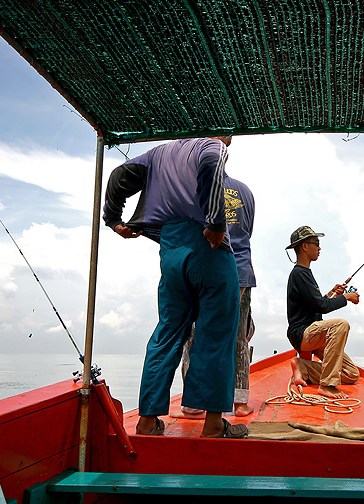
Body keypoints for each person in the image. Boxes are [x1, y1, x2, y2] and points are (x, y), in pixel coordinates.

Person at [103, 136, 248, 439]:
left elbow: (119, 175)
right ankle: (213, 425)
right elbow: (210, 165)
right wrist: (216, 223)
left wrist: (113, 218)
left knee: (168, 330)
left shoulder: (158, 152)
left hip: (170, 249)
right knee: (216, 334)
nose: (230, 139)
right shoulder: (211, 146)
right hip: (208, 248)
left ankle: (147, 421)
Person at [180, 174, 256, 418]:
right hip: (240, 268)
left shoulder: (193, 186)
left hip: (203, 270)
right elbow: (248, 232)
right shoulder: (244, 190)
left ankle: (193, 404)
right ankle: (240, 402)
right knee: (239, 338)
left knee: (194, 335)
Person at [285, 225, 360, 399]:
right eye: (316, 243)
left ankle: (303, 367)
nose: (319, 248)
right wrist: (347, 298)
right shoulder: (299, 273)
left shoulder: (305, 274)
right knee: (341, 324)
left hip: (313, 333)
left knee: (351, 374)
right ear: (304, 246)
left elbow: (316, 305)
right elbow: (321, 306)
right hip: (302, 333)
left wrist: (333, 293)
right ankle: (327, 385)